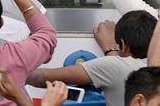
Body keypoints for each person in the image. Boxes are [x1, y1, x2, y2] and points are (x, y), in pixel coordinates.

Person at [27, 10, 157, 106]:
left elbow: (42, 77)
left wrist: (15, 68)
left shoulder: (114, 66)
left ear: (123, 46)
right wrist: (110, 50)